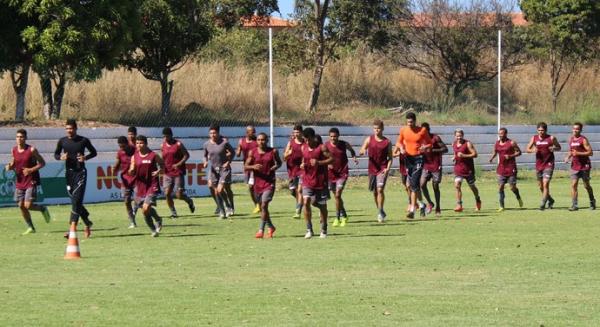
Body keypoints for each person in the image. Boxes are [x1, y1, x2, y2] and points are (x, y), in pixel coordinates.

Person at [54, 119, 97, 238]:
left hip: (80, 173)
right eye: (67, 128)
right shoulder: (62, 141)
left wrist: (85, 158)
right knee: (75, 201)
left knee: (76, 201)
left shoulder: (83, 140)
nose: (69, 131)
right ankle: (87, 222)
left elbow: (94, 152)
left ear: (76, 129)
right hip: (69, 174)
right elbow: (56, 154)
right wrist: (60, 157)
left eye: (71, 128)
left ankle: (72, 229)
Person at [5, 129, 51, 235]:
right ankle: (31, 227)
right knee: (20, 205)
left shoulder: (31, 150)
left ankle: (43, 209)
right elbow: (13, 163)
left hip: (31, 181)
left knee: (28, 205)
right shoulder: (14, 150)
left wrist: (30, 170)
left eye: (21, 137)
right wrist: (10, 166)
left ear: (25, 138)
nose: (19, 139)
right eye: (17, 137)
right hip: (20, 181)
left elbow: (42, 163)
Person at [245, 133, 282, 238]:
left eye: (263, 140)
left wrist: (274, 167)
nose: (261, 142)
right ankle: (271, 226)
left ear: (267, 140)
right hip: (258, 183)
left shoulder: (273, 151)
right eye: (259, 140)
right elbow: (246, 166)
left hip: (269, 182)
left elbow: (279, 163)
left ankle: (261, 230)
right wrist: (253, 166)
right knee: (262, 208)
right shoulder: (253, 152)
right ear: (256, 141)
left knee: (264, 204)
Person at [395, 112, 432, 219]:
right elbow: (398, 142)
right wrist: (401, 147)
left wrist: (425, 147)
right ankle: (422, 204)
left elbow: (430, 143)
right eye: (408, 122)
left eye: (411, 122)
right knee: (412, 186)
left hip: (418, 158)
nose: (409, 124)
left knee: (414, 183)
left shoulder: (422, 130)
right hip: (408, 159)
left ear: (415, 121)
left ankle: (412, 209)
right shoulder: (403, 130)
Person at [300, 128, 333, 238]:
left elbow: (332, 159)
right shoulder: (303, 147)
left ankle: (324, 229)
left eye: (308, 139)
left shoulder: (321, 147)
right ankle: (309, 229)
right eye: (305, 139)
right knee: (306, 202)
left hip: (320, 181)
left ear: (313, 137)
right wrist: (302, 165)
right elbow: (304, 160)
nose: (307, 142)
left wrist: (319, 162)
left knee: (322, 206)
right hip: (307, 180)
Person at [129, 135, 164, 237]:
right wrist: (131, 171)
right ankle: (155, 225)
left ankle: (155, 226)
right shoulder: (134, 157)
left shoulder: (153, 155)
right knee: (145, 210)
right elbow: (132, 168)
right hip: (140, 186)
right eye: (137, 143)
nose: (139, 145)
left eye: (141, 143)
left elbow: (162, 165)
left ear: (146, 144)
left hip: (152, 184)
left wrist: (159, 171)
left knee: (145, 208)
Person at [359, 119, 393, 222]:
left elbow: (390, 158)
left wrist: (388, 168)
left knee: (380, 189)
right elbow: (361, 150)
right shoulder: (369, 139)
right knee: (374, 192)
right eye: (374, 129)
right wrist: (363, 151)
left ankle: (380, 212)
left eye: (378, 128)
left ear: (382, 129)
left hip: (382, 169)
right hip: (372, 169)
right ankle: (380, 210)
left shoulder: (387, 142)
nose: (376, 130)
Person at [325, 127, 358, 227]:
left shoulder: (344, 144)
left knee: (338, 195)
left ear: (338, 136)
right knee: (336, 197)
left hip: (342, 173)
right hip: (331, 174)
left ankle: (337, 218)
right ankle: (344, 215)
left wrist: (354, 157)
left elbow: (352, 151)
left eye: (335, 136)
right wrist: (327, 164)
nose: (333, 138)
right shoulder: (326, 145)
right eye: (331, 136)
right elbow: (321, 157)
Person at [203, 124, 236, 218]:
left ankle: (229, 206)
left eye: (214, 133)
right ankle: (222, 210)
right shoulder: (206, 144)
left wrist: (228, 162)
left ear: (218, 133)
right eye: (210, 133)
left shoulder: (224, 143)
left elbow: (233, 152)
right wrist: (205, 162)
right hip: (213, 170)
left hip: (224, 169)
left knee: (221, 189)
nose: (212, 135)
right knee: (216, 191)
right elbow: (205, 155)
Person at [161, 127, 195, 218]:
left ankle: (189, 201)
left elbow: (186, 155)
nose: (165, 138)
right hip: (167, 173)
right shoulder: (162, 145)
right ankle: (173, 213)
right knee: (167, 193)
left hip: (178, 173)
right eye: (164, 136)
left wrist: (178, 164)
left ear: (171, 135)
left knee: (179, 195)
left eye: (167, 136)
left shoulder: (178, 144)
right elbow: (163, 158)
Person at [526, 122, 561, 210]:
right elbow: (527, 149)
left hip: (549, 164)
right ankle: (550, 200)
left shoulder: (551, 138)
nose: (541, 132)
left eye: (542, 130)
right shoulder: (534, 138)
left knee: (545, 184)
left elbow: (559, 147)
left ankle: (543, 204)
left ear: (546, 130)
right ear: (537, 130)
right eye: (539, 130)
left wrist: (554, 148)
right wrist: (533, 150)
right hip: (539, 165)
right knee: (541, 186)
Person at [488, 128, 523, 212]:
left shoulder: (511, 143)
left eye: (502, 133)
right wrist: (492, 158)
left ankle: (518, 197)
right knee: (500, 187)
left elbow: (519, 152)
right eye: (499, 134)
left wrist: (510, 156)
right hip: (501, 168)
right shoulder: (497, 143)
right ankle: (501, 206)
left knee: (512, 187)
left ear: (506, 134)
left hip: (511, 168)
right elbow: (495, 152)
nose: (500, 135)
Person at [565, 122, 596, 211]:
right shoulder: (571, 139)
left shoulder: (583, 140)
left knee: (586, 186)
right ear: (572, 129)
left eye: (577, 129)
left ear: (581, 130)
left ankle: (592, 200)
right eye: (574, 128)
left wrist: (578, 153)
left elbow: (590, 152)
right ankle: (574, 205)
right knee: (574, 185)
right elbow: (571, 151)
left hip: (584, 166)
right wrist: (568, 157)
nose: (575, 130)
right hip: (574, 166)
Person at [420, 123, 447, 217]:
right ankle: (430, 203)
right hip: (426, 165)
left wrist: (433, 150)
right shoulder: (420, 139)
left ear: (429, 130)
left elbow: (445, 149)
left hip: (436, 165)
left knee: (435, 186)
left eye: (425, 130)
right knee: (422, 184)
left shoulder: (435, 138)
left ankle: (438, 207)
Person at [452, 129, 482, 212]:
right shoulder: (454, 144)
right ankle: (459, 205)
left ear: (463, 135)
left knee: (472, 187)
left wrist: (464, 155)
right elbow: (456, 153)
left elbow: (475, 154)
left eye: (460, 136)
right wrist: (454, 157)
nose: (459, 137)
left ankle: (478, 199)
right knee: (457, 185)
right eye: (457, 136)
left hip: (468, 170)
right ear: (455, 136)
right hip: (458, 169)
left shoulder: (468, 143)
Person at [113, 136, 137, 228]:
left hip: (136, 179)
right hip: (125, 180)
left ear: (127, 144)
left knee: (138, 200)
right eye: (120, 146)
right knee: (127, 201)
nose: (121, 148)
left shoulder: (135, 150)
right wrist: (114, 169)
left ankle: (136, 211)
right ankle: (132, 222)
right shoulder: (119, 153)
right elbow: (117, 163)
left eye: (123, 146)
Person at [236, 125, 259, 214]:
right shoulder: (241, 141)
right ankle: (257, 204)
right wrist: (238, 151)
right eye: (252, 131)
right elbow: (238, 152)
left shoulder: (257, 141)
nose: (254, 133)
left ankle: (259, 204)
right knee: (250, 188)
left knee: (252, 186)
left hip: (255, 167)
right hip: (247, 167)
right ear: (247, 132)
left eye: (254, 131)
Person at [284, 124, 304, 218]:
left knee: (299, 190)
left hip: (302, 170)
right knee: (293, 191)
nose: (296, 134)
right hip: (292, 170)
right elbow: (284, 157)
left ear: (301, 133)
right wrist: (289, 153)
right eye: (294, 132)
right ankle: (301, 201)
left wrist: (304, 163)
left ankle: (298, 211)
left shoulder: (305, 143)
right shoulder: (290, 143)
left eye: (298, 132)